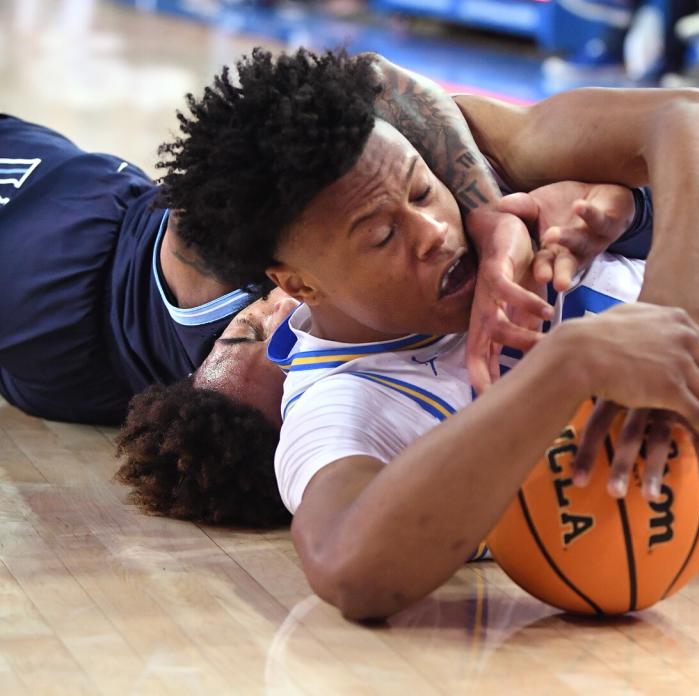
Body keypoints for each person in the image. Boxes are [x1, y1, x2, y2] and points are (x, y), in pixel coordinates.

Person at [124, 47, 699, 623]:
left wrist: (658, 323)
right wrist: (565, 367)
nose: (430, 231)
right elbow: (351, 568)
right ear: (296, 284)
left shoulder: (486, 176)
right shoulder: (340, 406)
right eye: (380, 237)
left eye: (420, 190)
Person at [0, 53, 569, 425]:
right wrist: (496, 219)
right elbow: (369, 82)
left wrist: (491, 216)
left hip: (67, 238)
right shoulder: (264, 262)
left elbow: (370, 79)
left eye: (421, 195)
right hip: (60, 282)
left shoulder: (232, 257)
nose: (436, 233)